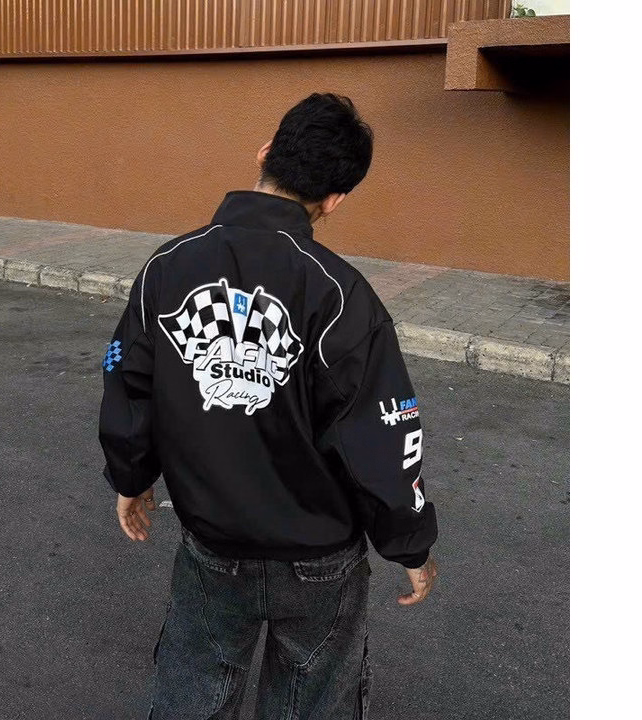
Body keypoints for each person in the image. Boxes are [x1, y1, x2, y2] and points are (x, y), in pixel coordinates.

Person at [99, 92, 438, 720]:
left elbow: (127, 380)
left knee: (194, 688)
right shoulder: (341, 294)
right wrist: (408, 543)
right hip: (319, 554)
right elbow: (384, 432)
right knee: (312, 699)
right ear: (335, 198)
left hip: (212, 539)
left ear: (263, 154)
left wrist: (132, 476)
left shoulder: (168, 267)